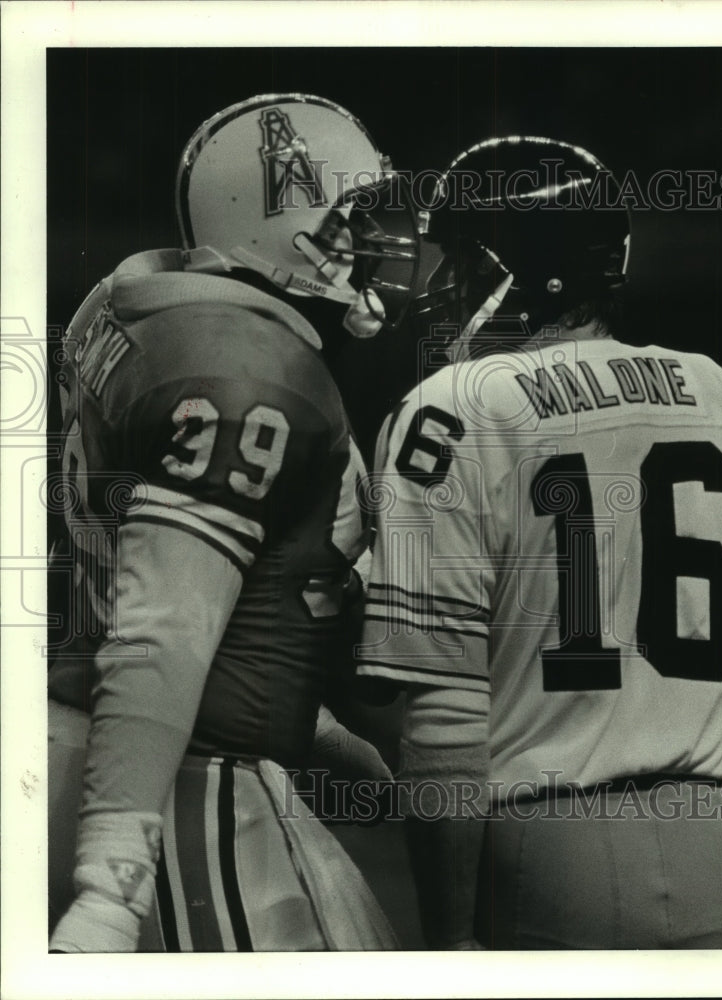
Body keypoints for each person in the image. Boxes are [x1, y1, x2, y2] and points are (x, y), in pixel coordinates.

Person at [47, 93, 419, 952]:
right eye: (352, 221)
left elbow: (216, 605)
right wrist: (109, 891)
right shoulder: (250, 366)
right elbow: (164, 634)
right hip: (185, 791)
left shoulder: (152, 309)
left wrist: (314, 731)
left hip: (121, 748)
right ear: (272, 224)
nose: (383, 246)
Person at [357, 136, 722, 949]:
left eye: (460, 259)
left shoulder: (455, 406)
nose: (440, 286)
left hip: (546, 849)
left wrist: (448, 938)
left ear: (522, 272)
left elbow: (446, 722)